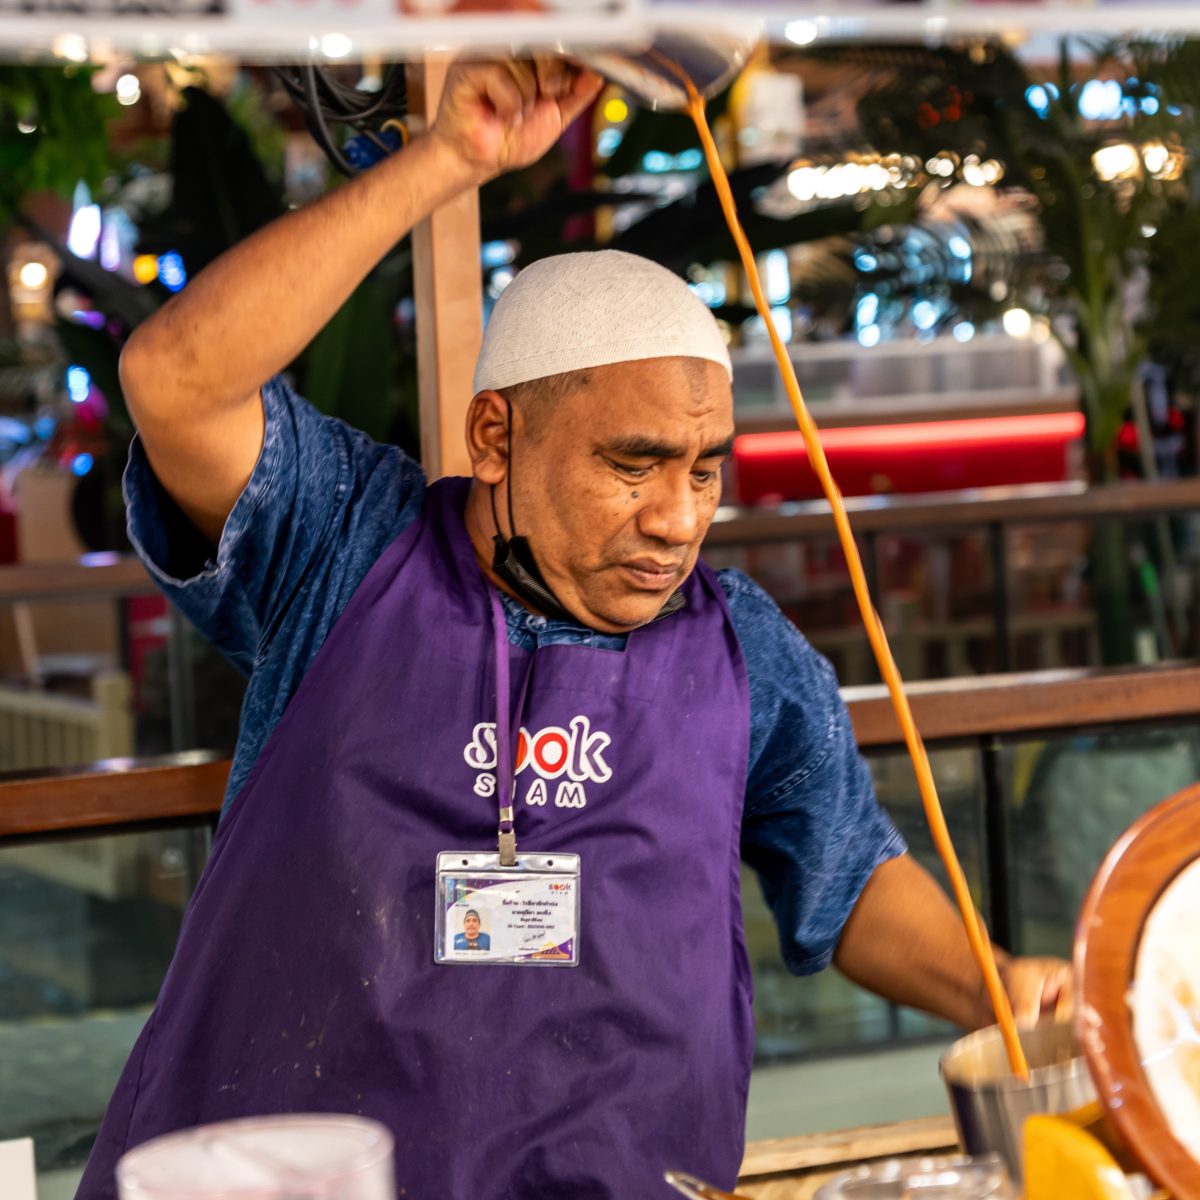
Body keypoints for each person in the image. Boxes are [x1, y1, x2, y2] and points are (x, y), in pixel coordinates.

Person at [76, 58, 1070, 1200]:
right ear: (493, 436)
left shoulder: (742, 647)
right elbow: (174, 380)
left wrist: (1001, 982)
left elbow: (847, 875)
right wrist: (450, 157)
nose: (679, 518)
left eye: (706, 470)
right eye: (632, 464)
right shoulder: (344, 541)